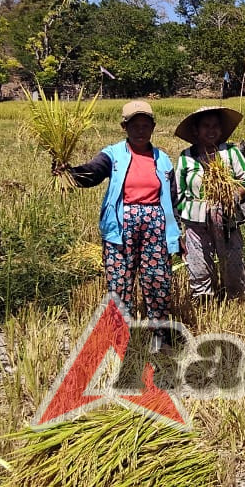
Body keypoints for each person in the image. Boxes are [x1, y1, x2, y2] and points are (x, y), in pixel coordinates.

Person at [57, 100, 181, 336]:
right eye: (135, 125)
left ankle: (160, 336)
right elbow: (92, 172)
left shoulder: (162, 159)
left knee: (158, 281)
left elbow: (172, 199)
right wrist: (69, 173)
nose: (141, 130)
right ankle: (119, 335)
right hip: (121, 227)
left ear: (153, 127)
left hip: (156, 226)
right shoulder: (112, 155)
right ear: (124, 127)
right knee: (120, 282)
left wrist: (176, 233)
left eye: (146, 125)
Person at [174, 106, 245, 300]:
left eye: (216, 126)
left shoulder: (231, 153)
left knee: (233, 262)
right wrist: (185, 216)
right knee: (199, 264)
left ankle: (236, 298)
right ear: (196, 130)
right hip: (196, 223)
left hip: (227, 220)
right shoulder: (186, 158)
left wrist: (232, 196)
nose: (211, 130)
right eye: (206, 126)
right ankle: (203, 299)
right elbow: (178, 192)